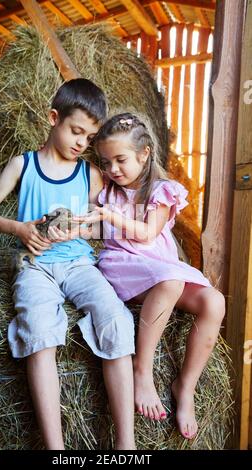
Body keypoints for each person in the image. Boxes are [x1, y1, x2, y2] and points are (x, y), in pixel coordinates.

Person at [0, 81, 136, 450]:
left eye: (90, 137)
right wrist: (20, 228)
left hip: (80, 263)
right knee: (40, 331)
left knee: (115, 318)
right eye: (76, 131)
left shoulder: (89, 173)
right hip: (35, 266)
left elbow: (102, 222)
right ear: (53, 118)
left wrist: (82, 227)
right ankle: (55, 448)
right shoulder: (23, 164)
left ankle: (126, 445)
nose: (82, 142)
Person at [75, 112, 225, 440]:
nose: (113, 169)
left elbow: (147, 234)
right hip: (123, 264)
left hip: (157, 262)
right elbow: (97, 225)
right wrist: (78, 225)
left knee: (214, 301)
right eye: (106, 161)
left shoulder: (161, 190)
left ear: (144, 155)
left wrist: (110, 215)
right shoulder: (106, 190)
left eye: (121, 159)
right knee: (169, 282)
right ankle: (142, 370)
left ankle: (185, 387)